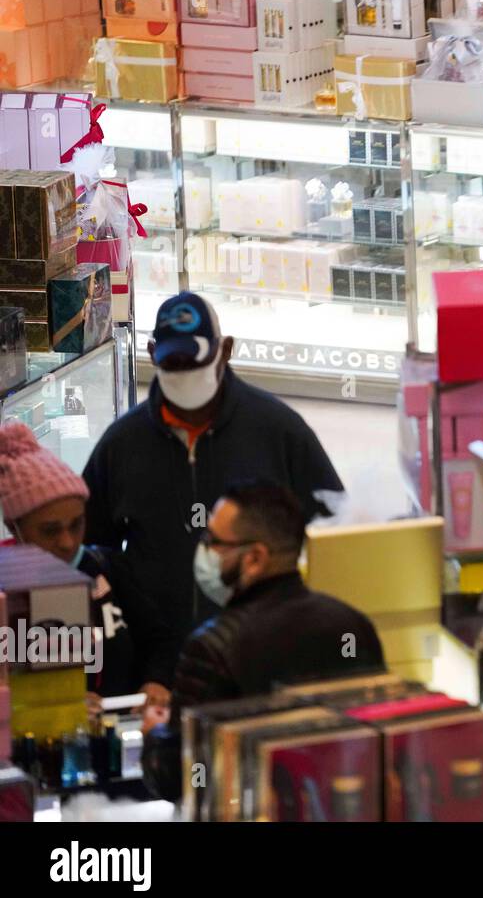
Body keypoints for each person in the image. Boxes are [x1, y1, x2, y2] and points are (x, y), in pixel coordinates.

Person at [82, 292, 344, 688]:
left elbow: (333, 534)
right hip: (157, 676)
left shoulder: (278, 431)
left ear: (226, 351)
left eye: (196, 362)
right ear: (152, 353)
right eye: (174, 363)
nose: (185, 373)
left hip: (266, 661)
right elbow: (89, 552)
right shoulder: (122, 445)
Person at [140, 481, 385, 801]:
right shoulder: (353, 625)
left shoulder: (212, 648)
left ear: (254, 558)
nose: (204, 552)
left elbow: (181, 780)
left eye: (213, 542)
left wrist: (155, 737)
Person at [0, 422, 173, 710]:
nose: (67, 542)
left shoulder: (107, 568)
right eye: (50, 531)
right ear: (14, 527)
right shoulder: (7, 591)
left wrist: (156, 681)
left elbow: (158, 640)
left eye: (77, 524)